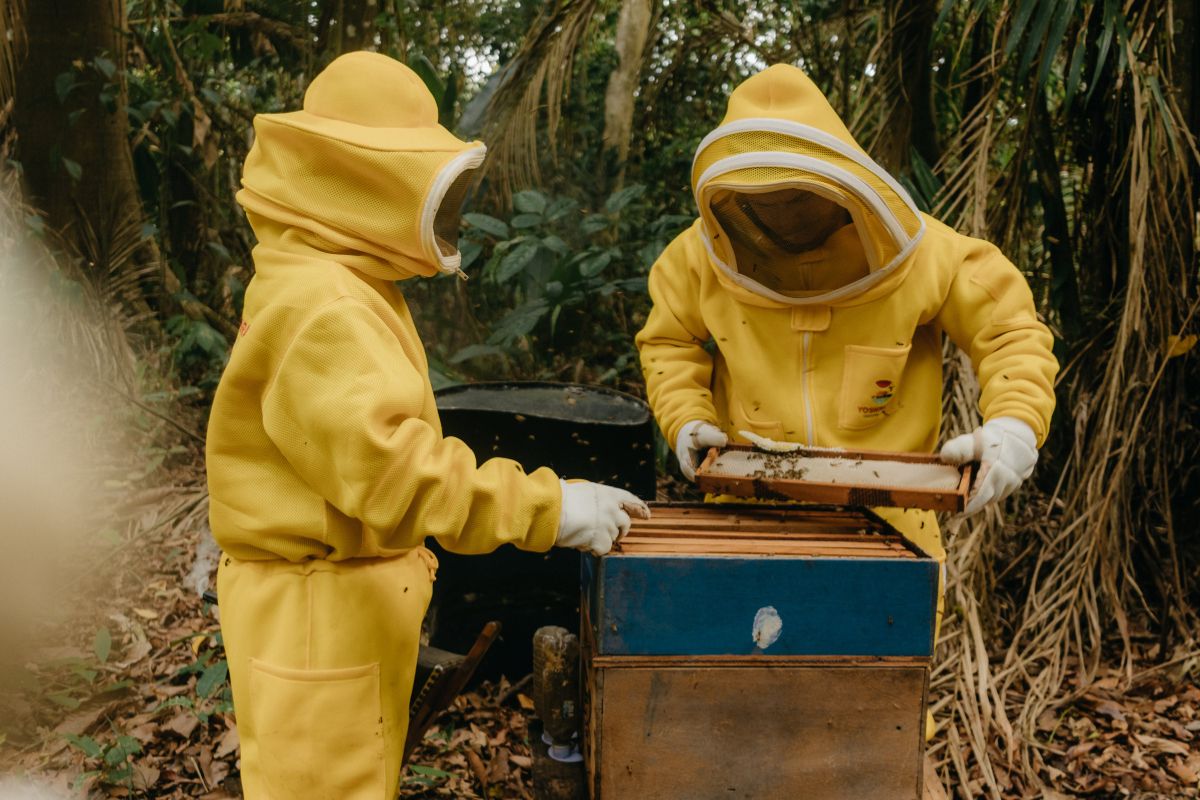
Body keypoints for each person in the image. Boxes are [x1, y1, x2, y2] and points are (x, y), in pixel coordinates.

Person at [205, 51, 648, 800]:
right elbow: (396, 473)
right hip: (317, 616)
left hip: (331, 607)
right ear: (367, 183)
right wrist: (549, 507)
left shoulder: (325, 278)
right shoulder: (325, 308)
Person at [636, 63, 1058, 648]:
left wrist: (1014, 425)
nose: (784, 216)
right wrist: (686, 418)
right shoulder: (696, 259)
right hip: (745, 511)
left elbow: (1009, 329)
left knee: (881, 689)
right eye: (765, 204)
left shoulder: (930, 255)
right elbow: (669, 339)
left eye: (797, 199)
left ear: (839, 182)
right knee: (742, 682)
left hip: (890, 520)